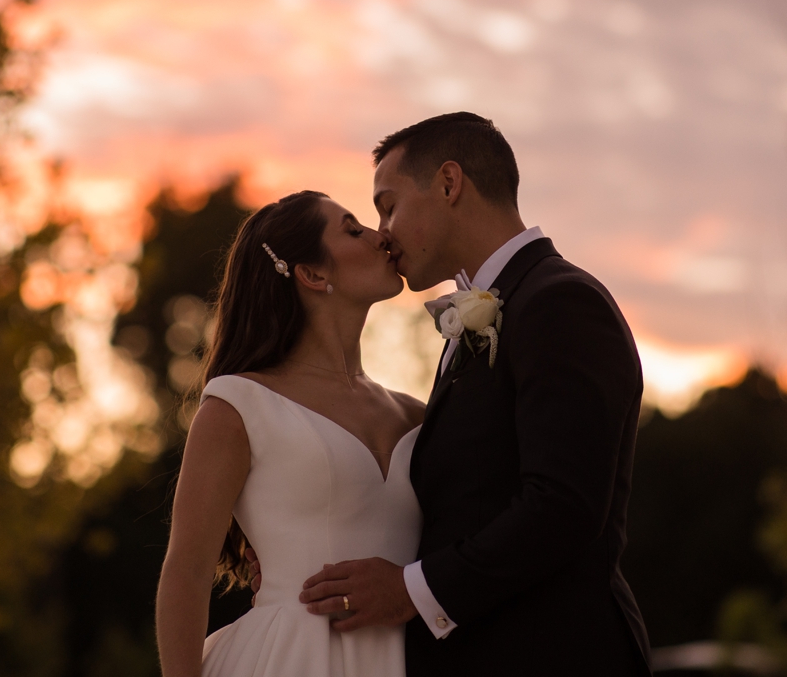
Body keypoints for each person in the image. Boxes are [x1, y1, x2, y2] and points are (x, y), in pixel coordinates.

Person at [298, 112, 653, 675]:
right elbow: (460, 500)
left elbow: (563, 506)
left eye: (388, 205)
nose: (382, 231)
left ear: (448, 183)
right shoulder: (486, 315)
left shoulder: (560, 302)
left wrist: (410, 591)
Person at [156, 190, 427, 677]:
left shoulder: (418, 415)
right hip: (289, 658)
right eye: (352, 228)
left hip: (413, 655)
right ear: (312, 273)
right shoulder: (238, 405)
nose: (380, 235)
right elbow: (186, 573)